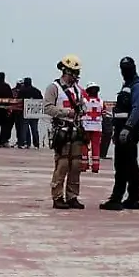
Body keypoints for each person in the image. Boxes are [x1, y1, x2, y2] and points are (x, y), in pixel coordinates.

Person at [101, 56, 139, 211]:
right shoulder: (126, 85)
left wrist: (127, 128)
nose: (124, 72)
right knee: (125, 165)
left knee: (126, 165)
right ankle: (130, 199)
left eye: (127, 69)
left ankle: (119, 198)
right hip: (121, 129)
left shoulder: (138, 86)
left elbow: (137, 109)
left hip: (129, 130)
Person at [44, 55, 87, 209]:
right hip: (61, 130)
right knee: (62, 164)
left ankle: (72, 196)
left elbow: (83, 105)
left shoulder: (78, 89)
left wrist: (82, 109)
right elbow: (47, 108)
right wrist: (66, 112)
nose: (76, 76)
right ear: (66, 71)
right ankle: (57, 196)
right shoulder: (53, 88)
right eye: (74, 73)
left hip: (76, 130)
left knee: (76, 165)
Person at [80, 82, 105, 173]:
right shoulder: (101, 102)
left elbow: (80, 112)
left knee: (84, 146)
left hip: (85, 127)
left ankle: (83, 165)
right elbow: (104, 113)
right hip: (97, 127)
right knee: (96, 147)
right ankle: (95, 167)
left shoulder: (84, 101)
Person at [19, 77, 43, 149]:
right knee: (34, 129)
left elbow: (19, 100)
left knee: (24, 129)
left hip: (25, 112)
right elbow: (41, 100)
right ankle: (36, 144)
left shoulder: (22, 91)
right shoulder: (37, 91)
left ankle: (23, 143)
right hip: (34, 113)